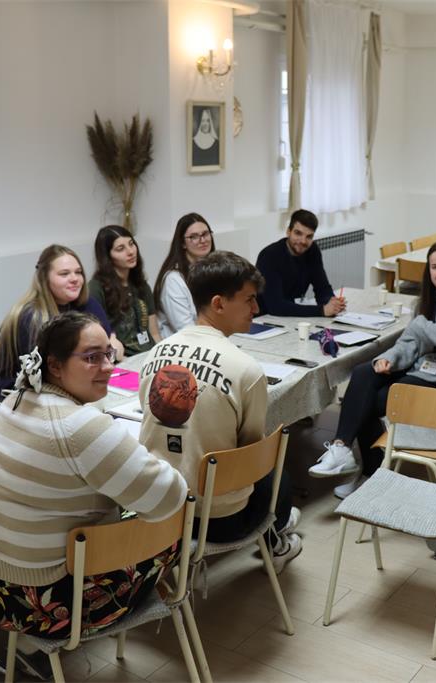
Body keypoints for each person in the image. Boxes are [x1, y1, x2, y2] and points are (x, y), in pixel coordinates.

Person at [0, 312, 187, 669]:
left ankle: (31, 647)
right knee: (174, 531)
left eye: (108, 354)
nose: (108, 366)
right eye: (92, 357)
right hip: (40, 605)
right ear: (54, 366)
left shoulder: (14, 400)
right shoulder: (80, 427)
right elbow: (170, 498)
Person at [138, 251, 302, 573]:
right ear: (218, 304)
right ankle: (279, 532)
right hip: (220, 522)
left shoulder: (154, 354)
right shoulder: (245, 369)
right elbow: (252, 457)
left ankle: (281, 523)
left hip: (160, 512)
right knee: (276, 468)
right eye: (249, 299)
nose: (256, 308)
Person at [309, 242, 436, 497]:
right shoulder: (426, 301)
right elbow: (409, 343)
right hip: (420, 370)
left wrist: (424, 327)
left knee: (371, 401)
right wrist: (388, 359)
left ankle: (370, 473)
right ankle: (342, 448)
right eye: (435, 267)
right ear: (428, 271)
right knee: (364, 373)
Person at [0, 245, 115, 401]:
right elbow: (45, 376)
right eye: (64, 274)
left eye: (78, 272)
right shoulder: (32, 317)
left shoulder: (85, 303)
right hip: (19, 397)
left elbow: (108, 345)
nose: (75, 279)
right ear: (44, 278)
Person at [255, 209, 346, 317]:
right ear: (288, 232)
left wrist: (332, 303)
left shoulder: (312, 250)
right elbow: (276, 306)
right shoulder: (269, 255)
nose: (303, 241)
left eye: (309, 236)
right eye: (298, 233)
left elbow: (322, 288)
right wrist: (322, 310)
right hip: (265, 317)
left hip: (292, 314)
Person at [90, 225, 160, 356]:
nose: (131, 252)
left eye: (131, 244)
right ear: (108, 256)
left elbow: (154, 333)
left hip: (149, 353)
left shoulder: (141, 285)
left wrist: (161, 356)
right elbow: (96, 338)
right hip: (123, 358)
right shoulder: (96, 288)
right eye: (120, 249)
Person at [153, 213, 216, 339]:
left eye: (205, 234)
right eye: (194, 237)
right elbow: (187, 329)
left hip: (208, 337)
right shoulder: (173, 280)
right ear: (182, 243)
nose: (202, 240)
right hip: (185, 343)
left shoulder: (212, 270)